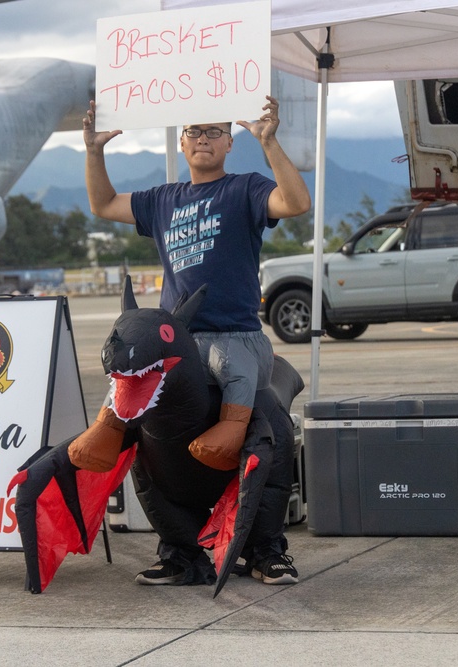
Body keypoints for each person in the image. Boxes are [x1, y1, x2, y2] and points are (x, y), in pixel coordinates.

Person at [70, 96, 310, 472]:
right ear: (181, 142)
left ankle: (231, 433)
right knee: (134, 371)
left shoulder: (246, 189)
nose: (203, 139)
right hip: (176, 335)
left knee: (236, 371)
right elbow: (104, 204)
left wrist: (269, 143)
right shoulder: (163, 199)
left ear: (229, 143)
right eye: (194, 132)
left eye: (215, 131)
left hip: (236, 333)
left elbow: (296, 203)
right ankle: (108, 427)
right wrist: (93, 151)